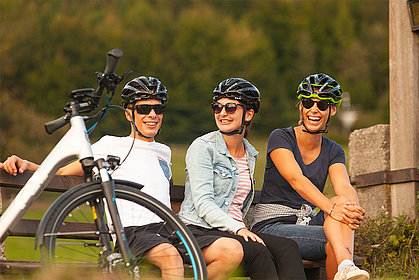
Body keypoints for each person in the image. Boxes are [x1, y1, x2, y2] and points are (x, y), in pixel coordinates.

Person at [0, 76, 243, 280]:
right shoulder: (111, 144)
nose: (152, 115)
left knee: (231, 251)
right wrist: (24, 164)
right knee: (170, 256)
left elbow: (165, 197)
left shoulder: (164, 151)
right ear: (129, 114)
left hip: (166, 229)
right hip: (131, 232)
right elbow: (62, 171)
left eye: (158, 109)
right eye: (143, 109)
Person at [177, 78, 307, 280]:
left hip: (232, 232)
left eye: (230, 108)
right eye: (217, 107)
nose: (222, 113)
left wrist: (239, 228)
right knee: (258, 252)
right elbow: (203, 203)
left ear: (248, 113)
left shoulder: (249, 154)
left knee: (287, 247)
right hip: (199, 230)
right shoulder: (203, 147)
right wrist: (238, 228)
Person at [250, 73, 369, 280]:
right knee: (336, 237)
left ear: (332, 110)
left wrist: (352, 211)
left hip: (306, 222)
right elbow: (297, 180)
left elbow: (344, 187)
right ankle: (346, 266)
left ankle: (345, 267)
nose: (314, 110)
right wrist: (332, 208)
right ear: (301, 107)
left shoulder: (334, 150)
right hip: (272, 226)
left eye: (322, 105)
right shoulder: (281, 137)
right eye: (308, 103)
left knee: (342, 201)